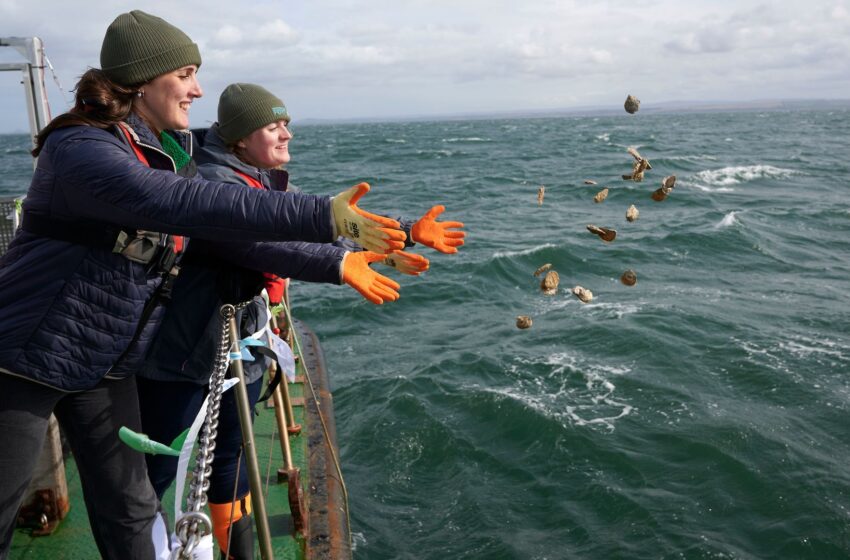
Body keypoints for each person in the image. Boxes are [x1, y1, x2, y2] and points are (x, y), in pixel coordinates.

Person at [0, 11, 411, 559]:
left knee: (132, 507)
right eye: (186, 73)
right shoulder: (81, 147)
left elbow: (235, 224)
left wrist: (380, 237)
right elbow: (181, 203)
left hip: (105, 356)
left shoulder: (170, 149)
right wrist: (326, 216)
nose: (197, 89)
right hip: (25, 351)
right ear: (142, 80)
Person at [136, 82, 464, 559]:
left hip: (238, 350)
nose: (286, 134)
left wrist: (406, 233)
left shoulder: (255, 176)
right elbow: (263, 243)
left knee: (230, 463)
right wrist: (337, 266)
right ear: (241, 139)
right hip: (183, 357)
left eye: (286, 123)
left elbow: (313, 229)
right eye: (273, 126)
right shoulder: (211, 184)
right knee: (152, 471)